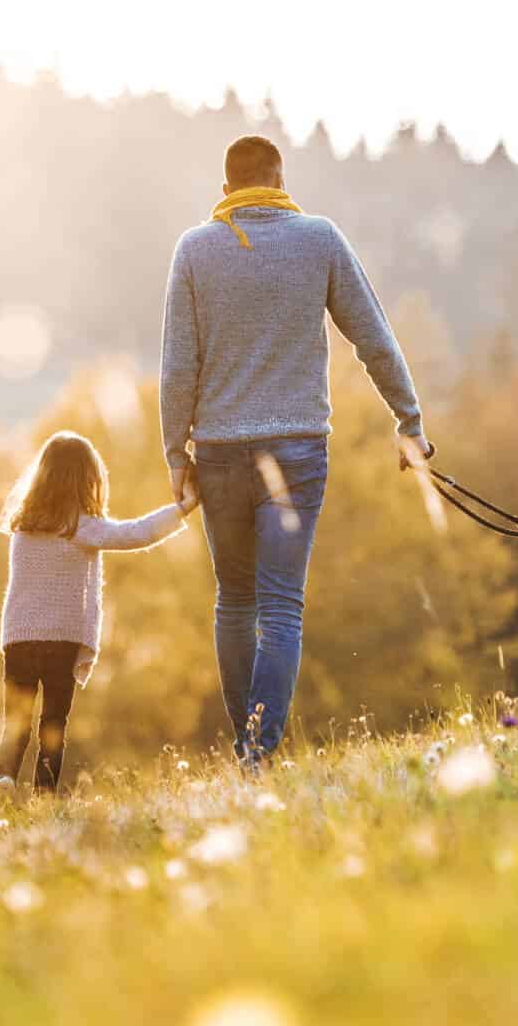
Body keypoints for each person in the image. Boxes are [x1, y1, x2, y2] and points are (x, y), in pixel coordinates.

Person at [159, 134, 433, 764]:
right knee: (280, 603)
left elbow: (178, 366)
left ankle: (246, 749)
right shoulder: (319, 239)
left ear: (226, 189)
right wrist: (409, 420)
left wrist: (177, 454)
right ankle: (257, 751)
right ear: (281, 181)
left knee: (234, 599)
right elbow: (375, 338)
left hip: (221, 451)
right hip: (298, 450)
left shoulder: (196, 249)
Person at [0, 431, 198, 803]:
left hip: (18, 639)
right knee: (53, 724)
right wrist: (183, 508)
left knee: (14, 722)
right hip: (59, 642)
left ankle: (2, 781)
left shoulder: (23, 528)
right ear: (86, 480)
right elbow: (136, 533)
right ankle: (44, 798)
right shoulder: (78, 527)